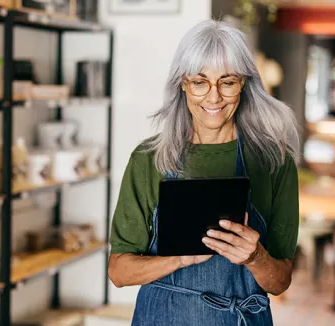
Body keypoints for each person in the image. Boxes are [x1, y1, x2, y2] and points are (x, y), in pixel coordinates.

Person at [107, 20, 301, 326]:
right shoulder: (148, 160)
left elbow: (279, 282)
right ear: (183, 84)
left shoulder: (274, 162)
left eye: (227, 82)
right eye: (200, 82)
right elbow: (118, 272)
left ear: (244, 84)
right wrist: (180, 259)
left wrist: (255, 257)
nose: (213, 97)